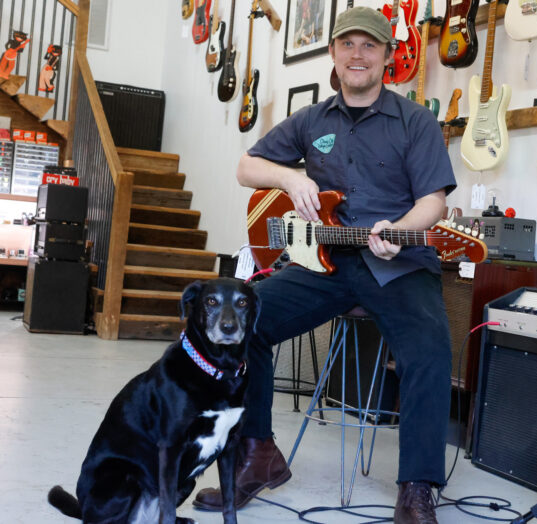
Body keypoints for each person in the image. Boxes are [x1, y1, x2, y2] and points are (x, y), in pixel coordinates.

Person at [193, 6, 456, 523]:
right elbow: (247, 166)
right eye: (348, 45)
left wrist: (399, 231)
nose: (358, 55)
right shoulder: (312, 120)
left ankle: (417, 487)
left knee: (429, 348)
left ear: (386, 57)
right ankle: (258, 454)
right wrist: (291, 179)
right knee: (245, 322)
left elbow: (435, 204)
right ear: (334, 55)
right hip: (325, 262)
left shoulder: (416, 121)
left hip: (397, 263)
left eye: (370, 46)